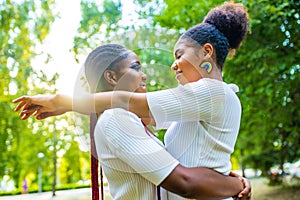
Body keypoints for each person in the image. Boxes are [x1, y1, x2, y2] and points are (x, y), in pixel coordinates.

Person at [13, 2, 251, 199]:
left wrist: (66, 102)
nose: (173, 64)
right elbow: (135, 110)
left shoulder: (212, 94)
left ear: (206, 52)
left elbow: (130, 103)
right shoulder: (188, 106)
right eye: (137, 68)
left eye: (179, 55)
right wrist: (234, 183)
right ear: (112, 76)